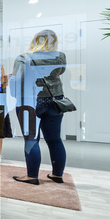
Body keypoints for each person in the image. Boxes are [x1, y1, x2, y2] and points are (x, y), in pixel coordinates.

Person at [10, 29, 68, 185]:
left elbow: (18, 81)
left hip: (31, 102)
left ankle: (32, 176)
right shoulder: (60, 56)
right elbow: (61, 71)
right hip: (55, 101)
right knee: (55, 140)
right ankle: (57, 175)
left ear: (35, 41)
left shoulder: (24, 58)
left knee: (31, 140)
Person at [0, 64, 13, 163]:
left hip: (0, 100)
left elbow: (3, 82)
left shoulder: (0, 65)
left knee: (0, 130)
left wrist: (6, 78)